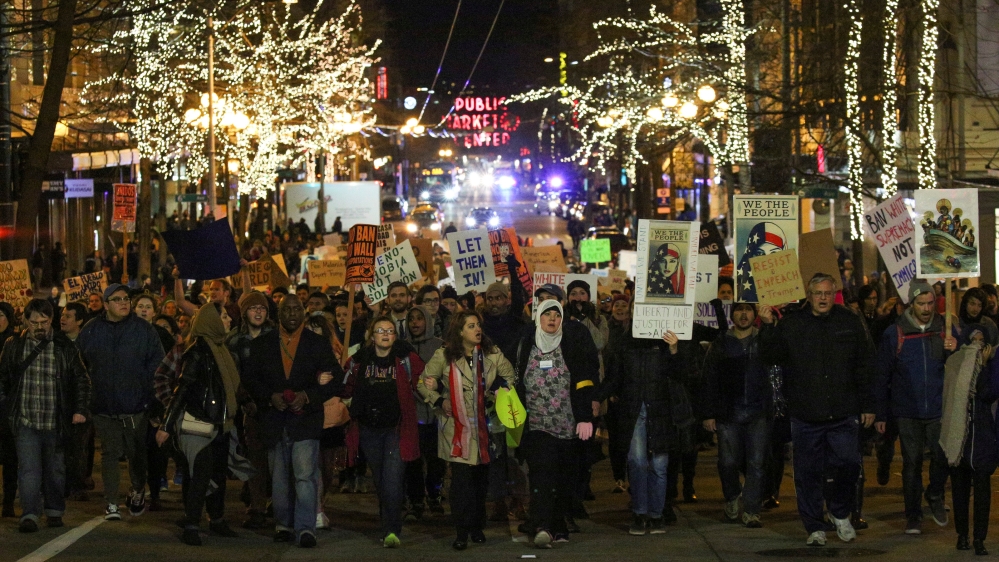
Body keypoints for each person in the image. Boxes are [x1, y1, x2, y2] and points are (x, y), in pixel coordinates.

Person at [759, 273, 875, 547]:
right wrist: (767, 327)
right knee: (807, 473)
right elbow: (770, 356)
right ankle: (813, 525)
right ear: (808, 296)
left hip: (843, 411)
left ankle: (839, 512)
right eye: (817, 293)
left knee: (848, 464)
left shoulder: (849, 321)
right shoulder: (792, 324)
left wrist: (870, 405)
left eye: (827, 293)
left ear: (834, 294)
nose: (823, 298)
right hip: (806, 413)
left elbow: (866, 364)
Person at [242, 295, 339, 548]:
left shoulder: (317, 344)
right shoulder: (263, 344)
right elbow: (250, 379)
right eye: (287, 309)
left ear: (304, 312)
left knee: (305, 476)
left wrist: (308, 396)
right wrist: (269, 397)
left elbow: (335, 378)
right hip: (274, 421)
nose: (292, 314)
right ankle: (283, 525)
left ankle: (305, 528)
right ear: (279, 313)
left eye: (297, 309)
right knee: (279, 478)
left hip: (305, 421)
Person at [419, 311, 517, 551]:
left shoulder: (492, 354)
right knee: (462, 482)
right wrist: (439, 400)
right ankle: (461, 530)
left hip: (485, 426)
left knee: (480, 481)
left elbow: (510, 376)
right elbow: (423, 382)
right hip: (456, 427)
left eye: (478, 325)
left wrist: (496, 394)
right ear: (460, 331)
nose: (477, 329)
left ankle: (477, 526)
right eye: (471, 326)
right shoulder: (444, 355)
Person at [0, 299, 91, 532]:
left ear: (51, 320)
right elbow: (2, 378)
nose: (39, 326)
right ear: (25, 321)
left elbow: (82, 379)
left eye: (45, 321)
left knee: (55, 469)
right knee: (29, 469)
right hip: (25, 419)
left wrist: (80, 410)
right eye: (34, 322)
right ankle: (29, 513)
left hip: (55, 420)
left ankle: (53, 510)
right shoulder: (14, 344)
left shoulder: (64, 346)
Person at [512, 300, 598, 547]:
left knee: (563, 480)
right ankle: (542, 526)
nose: (551, 319)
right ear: (538, 317)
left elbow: (583, 380)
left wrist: (584, 418)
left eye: (556, 315)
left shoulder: (570, 345)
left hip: (568, 426)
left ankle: (558, 527)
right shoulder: (525, 344)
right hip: (537, 426)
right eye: (547, 314)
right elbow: (509, 373)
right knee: (542, 477)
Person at [76, 283, 165, 521]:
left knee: (136, 454)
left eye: (126, 298)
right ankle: (111, 503)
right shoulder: (91, 330)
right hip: (102, 406)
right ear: (106, 305)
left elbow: (158, 367)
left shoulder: (144, 330)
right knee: (109, 454)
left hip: (136, 407)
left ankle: (137, 489)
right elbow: (79, 366)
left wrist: (152, 400)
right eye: (118, 299)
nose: (124, 302)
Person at [157, 304, 242, 546]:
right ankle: (192, 524)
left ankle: (216, 520)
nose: (227, 320)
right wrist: (166, 424)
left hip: (221, 423)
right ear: (210, 322)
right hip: (199, 425)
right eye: (223, 316)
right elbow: (181, 389)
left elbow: (232, 388)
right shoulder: (197, 353)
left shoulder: (222, 349)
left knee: (217, 475)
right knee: (200, 476)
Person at [875, 281, 955, 535]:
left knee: (943, 457)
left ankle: (934, 493)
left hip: (938, 408)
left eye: (930, 303)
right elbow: (882, 374)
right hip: (907, 409)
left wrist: (956, 347)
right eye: (921, 303)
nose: (926, 308)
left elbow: (960, 361)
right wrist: (880, 413)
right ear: (911, 303)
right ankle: (913, 515)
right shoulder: (895, 333)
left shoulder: (945, 328)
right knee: (912, 463)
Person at [341, 317, 425, 548]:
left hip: (396, 428)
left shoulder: (406, 359)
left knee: (393, 479)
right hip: (368, 429)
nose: (386, 334)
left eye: (390, 331)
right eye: (380, 330)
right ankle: (388, 516)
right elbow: (344, 385)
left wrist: (434, 389)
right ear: (372, 336)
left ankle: (391, 529)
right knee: (380, 479)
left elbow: (425, 379)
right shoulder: (358, 361)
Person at [597, 312, 684, 536]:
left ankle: (656, 515)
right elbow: (614, 378)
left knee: (659, 465)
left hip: (661, 410)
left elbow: (682, 376)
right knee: (636, 462)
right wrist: (596, 397)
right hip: (634, 410)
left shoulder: (666, 342)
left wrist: (675, 350)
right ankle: (639, 513)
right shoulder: (624, 344)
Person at [700, 303, 771, 528]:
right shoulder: (721, 343)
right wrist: (709, 413)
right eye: (739, 310)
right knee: (728, 462)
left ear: (755, 313)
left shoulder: (764, 341)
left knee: (757, 464)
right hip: (728, 413)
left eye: (748, 310)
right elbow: (709, 379)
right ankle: (732, 496)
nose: (743, 314)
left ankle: (751, 510)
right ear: (732, 315)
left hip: (758, 412)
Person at [940, 325, 998, 555]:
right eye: (973, 339)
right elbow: (947, 398)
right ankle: (962, 535)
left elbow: (986, 393)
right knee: (960, 491)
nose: (977, 345)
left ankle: (979, 539)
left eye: (982, 341)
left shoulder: (992, 366)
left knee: (983, 492)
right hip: (959, 436)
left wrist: (982, 367)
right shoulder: (955, 362)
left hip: (983, 436)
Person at [224, 291, 274, 530]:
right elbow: (232, 376)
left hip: (276, 407)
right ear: (245, 312)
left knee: (278, 460)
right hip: (249, 409)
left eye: (262, 309)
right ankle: (257, 508)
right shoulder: (234, 339)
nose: (258, 312)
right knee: (255, 460)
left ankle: (277, 502)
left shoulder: (276, 337)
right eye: (254, 308)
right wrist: (244, 400)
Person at [404, 306, 446, 517]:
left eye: (420, 318)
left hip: (436, 414)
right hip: (412, 415)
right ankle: (416, 499)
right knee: (413, 461)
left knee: (437, 460)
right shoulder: (402, 348)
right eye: (411, 319)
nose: (415, 323)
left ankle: (434, 494)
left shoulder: (440, 347)